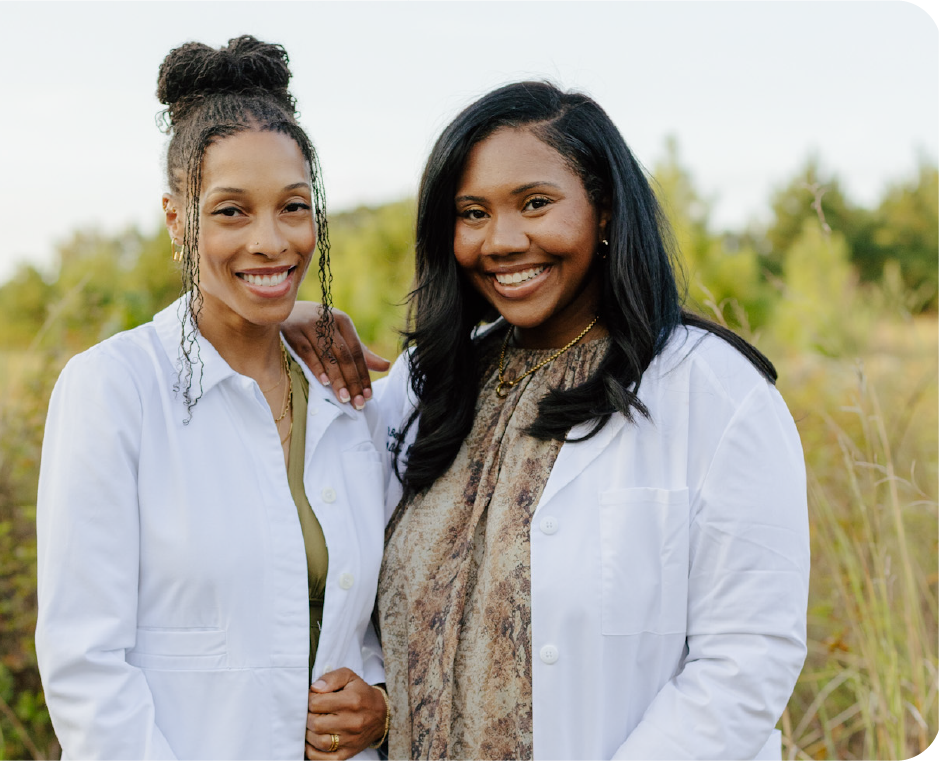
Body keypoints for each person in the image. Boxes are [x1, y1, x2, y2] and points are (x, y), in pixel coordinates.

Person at [282, 81, 809, 761]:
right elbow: (355, 565)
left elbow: (748, 660)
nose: (501, 241)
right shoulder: (427, 383)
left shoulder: (712, 391)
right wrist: (273, 323)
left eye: (535, 203)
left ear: (605, 208)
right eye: (472, 213)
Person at [35, 37, 389, 760]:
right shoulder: (115, 389)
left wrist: (379, 702)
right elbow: (85, 668)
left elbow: (368, 620)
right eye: (232, 211)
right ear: (177, 219)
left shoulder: (347, 398)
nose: (271, 241)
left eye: (293, 206)